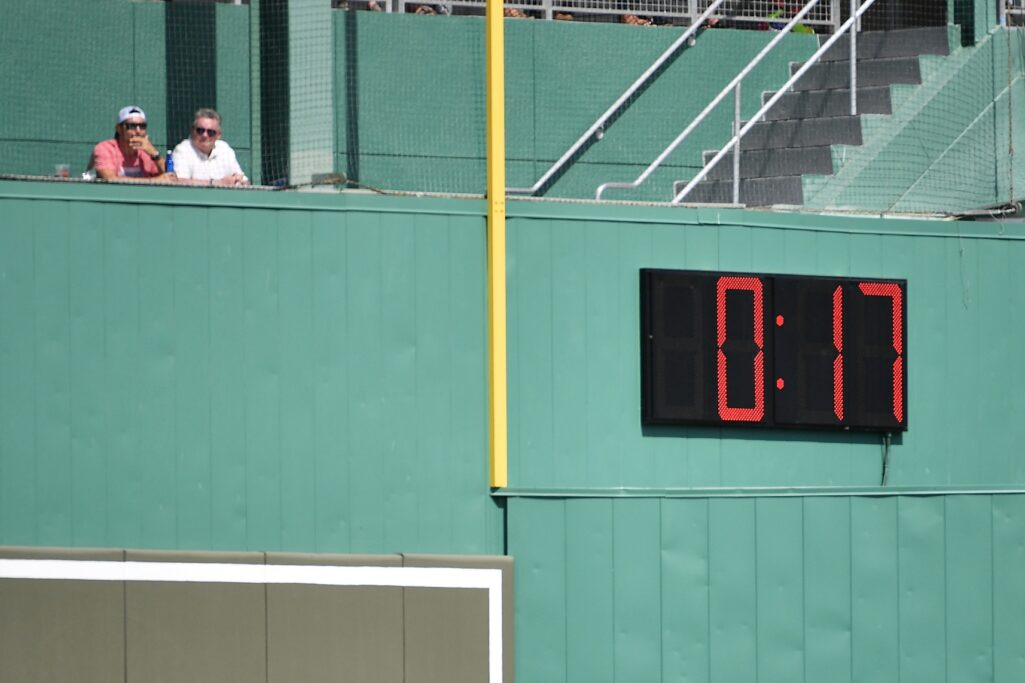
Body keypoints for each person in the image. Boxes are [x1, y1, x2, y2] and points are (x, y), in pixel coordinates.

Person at [89, 106, 174, 182]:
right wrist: (154, 181)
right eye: (132, 126)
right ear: (119, 128)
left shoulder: (147, 152)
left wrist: (155, 154)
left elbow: (172, 177)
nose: (138, 131)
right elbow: (110, 179)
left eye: (142, 126)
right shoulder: (105, 148)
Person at [172, 108, 249, 187]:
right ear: (192, 131)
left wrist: (239, 181)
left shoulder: (224, 149)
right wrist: (216, 183)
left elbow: (245, 181)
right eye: (200, 130)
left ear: (218, 135)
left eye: (211, 132)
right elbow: (178, 182)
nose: (205, 135)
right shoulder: (182, 150)